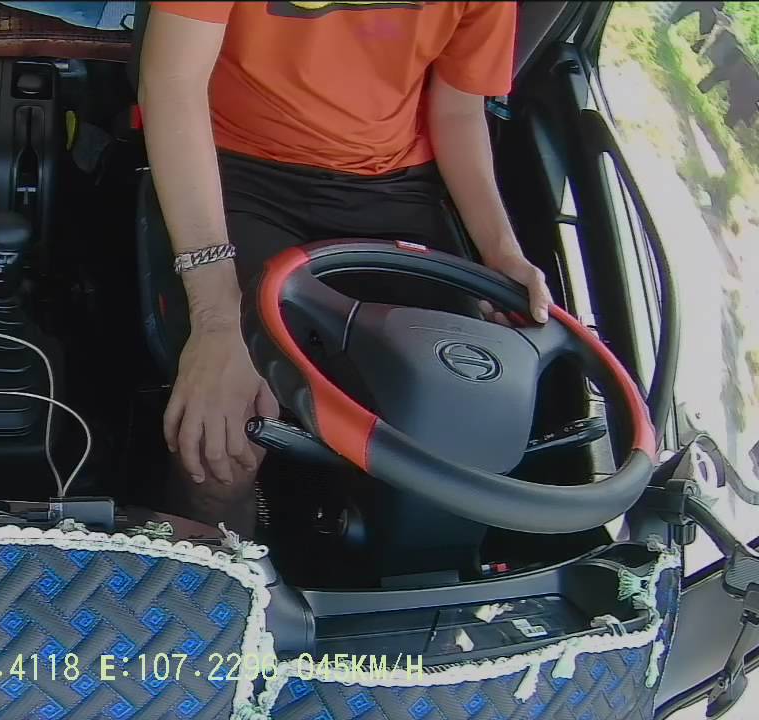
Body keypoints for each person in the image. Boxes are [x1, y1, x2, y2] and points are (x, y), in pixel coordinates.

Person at [139, 1, 553, 534]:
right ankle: (221, 564)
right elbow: (173, 83)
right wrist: (217, 320)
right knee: (220, 431)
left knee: (459, 415)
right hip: (233, 166)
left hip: (396, 189)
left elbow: (457, 110)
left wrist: (501, 252)